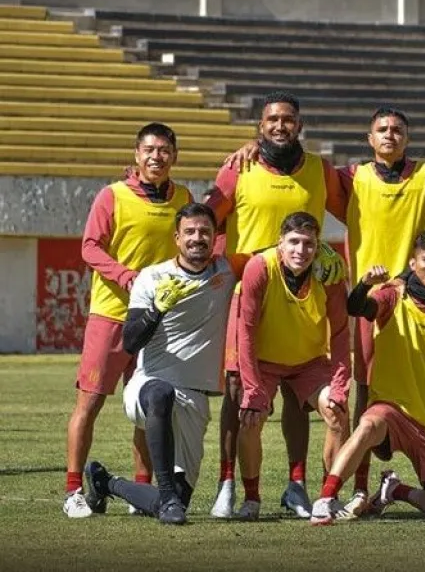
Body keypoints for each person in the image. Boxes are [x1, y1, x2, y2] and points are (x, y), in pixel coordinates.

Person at [225, 107, 425, 517]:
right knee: (363, 393)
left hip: (424, 298)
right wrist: (257, 147)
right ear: (369, 138)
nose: (390, 135)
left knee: (424, 384)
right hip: (372, 301)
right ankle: (355, 488)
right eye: (382, 130)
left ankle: (417, 472)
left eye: (398, 130)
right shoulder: (351, 176)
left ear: (408, 138)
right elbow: (292, 163)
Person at [205, 91, 347, 519]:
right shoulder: (240, 166)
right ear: (259, 127)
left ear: (299, 125)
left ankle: (297, 485)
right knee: (239, 394)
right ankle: (228, 483)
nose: (280, 126)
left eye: (288, 119)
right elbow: (208, 217)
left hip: (304, 293)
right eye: (272, 120)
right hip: (248, 293)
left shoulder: (321, 171)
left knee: (298, 396)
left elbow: (363, 210)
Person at [309, 230, 425, 524]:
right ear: (413, 263)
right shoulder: (393, 296)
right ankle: (327, 498)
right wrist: (363, 284)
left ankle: (395, 490)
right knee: (369, 423)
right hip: (393, 408)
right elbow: (357, 307)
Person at [64, 123, 192, 518]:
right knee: (90, 403)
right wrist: (125, 276)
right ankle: (72, 490)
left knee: (151, 405)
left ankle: (141, 490)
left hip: (158, 323)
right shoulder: (112, 195)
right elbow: (89, 247)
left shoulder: (184, 197)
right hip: (112, 315)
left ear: (174, 155)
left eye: (164, 150)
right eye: (149, 150)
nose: (157, 156)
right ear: (137, 155)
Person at [83, 204, 237, 524]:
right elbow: (130, 342)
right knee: (161, 393)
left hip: (195, 397)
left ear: (214, 238)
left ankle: (106, 482)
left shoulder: (226, 272)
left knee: (180, 501)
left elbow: (272, 257)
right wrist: (156, 309)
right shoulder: (153, 277)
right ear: (177, 238)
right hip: (148, 385)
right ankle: (165, 493)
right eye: (190, 232)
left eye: (205, 232)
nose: (198, 238)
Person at [235, 212, 351, 521]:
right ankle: (252, 498)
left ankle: (328, 496)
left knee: (337, 412)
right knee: (249, 418)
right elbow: (244, 330)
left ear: (318, 246)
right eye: (294, 242)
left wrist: (339, 385)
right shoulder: (260, 267)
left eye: (309, 244)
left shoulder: (329, 271)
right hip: (264, 361)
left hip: (309, 363)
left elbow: (340, 333)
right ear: (280, 243)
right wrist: (252, 388)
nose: (301, 250)